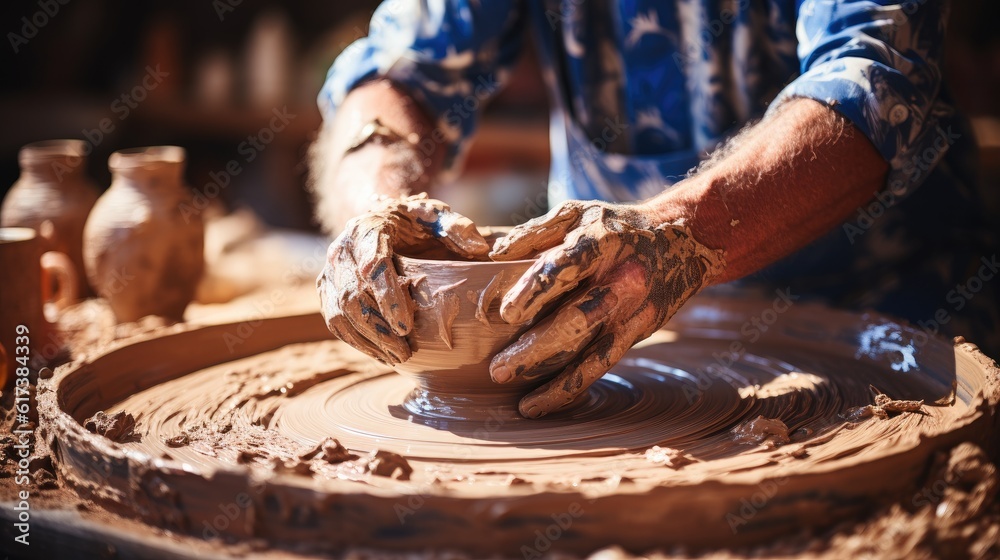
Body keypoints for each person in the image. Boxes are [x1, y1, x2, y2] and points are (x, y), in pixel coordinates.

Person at [311, 0, 998, 418]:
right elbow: (394, 75)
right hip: (602, 339)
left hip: (889, 323)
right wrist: (373, 208)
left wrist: (679, 236)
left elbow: (875, 82)